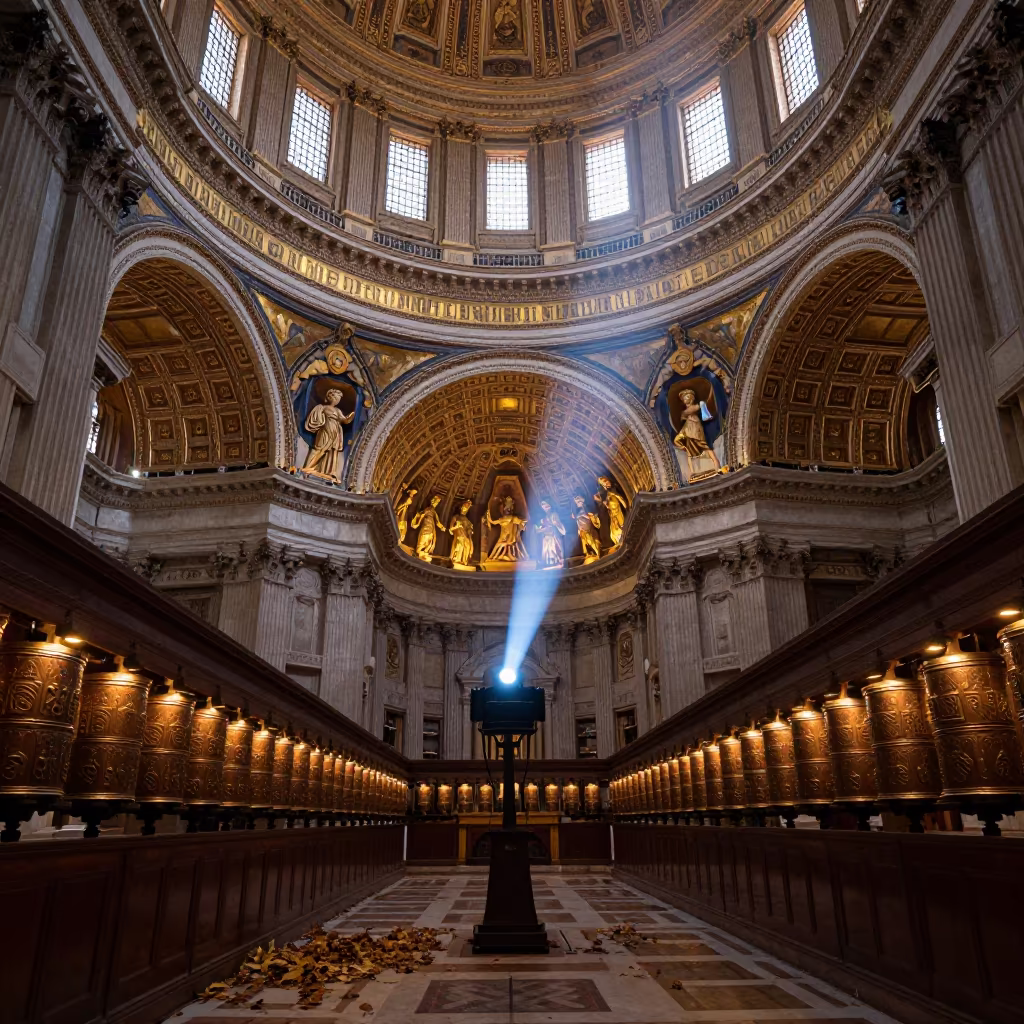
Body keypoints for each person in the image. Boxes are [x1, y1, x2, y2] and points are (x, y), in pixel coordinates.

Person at [302, 389, 354, 483]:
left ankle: (327, 471)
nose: (337, 400)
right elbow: (315, 418)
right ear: (330, 397)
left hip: (335, 431)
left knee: (331, 451)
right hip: (325, 429)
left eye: (338, 399)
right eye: (335, 397)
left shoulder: (337, 410)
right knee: (319, 448)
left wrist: (351, 415)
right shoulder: (322, 407)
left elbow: (345, 420)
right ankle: (308, 467)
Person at [673, 388, 721, 470]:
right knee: (680, 443)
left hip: (695, 426)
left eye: (687, 396)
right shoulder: (685, 411)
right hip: (686, 428)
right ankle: (692, 471)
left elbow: (704, 415)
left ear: (692, 398)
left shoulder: (697, 406)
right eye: (684, 397)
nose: (685, 399)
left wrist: (704, 408)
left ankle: (716, 462)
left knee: (703, 444)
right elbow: (683, 416)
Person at [486, 495, 528, 561]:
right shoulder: (503, 519)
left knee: (500, 545)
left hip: (510, 538)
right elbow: (493, 522)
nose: (507, 510)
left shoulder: (513, 518)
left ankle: (492, 557)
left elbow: (522, 522)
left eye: (508, 509)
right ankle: (492, 557)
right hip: (504, 537)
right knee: (498, 545)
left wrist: (522, 526)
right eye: (506, 509)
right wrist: (488, 516)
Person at [595, 475, 627, 547]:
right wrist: (603, 503)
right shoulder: (607, 496)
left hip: (619, 514)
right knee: (613, 535)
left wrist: (627, 507)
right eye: (603, 484)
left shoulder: (613, 492)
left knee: (620, 530)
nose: (606, 484)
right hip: (613, 516)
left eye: (606, 481)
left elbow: (622, 499)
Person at [411, 494, 446, 561]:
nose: (436, 504)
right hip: (426, 526)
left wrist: (442, 527)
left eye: (437, 503)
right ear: (432, 501)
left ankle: (425, 553)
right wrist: (418, 521)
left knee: (429, 541)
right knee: (423, 538)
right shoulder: (428, 509)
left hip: (431, 528)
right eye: (435, 502)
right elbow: (422, 515)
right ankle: (419, 552)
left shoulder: (433, 512)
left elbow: (437, 521)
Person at [535, 498, 566, 568]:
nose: (544, 507)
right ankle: (548, 562)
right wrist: (542, 528)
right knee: (546, 550)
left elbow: (558, 524)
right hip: (546, 537)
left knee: (554, 549)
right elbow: (540, 527)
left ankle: (556, 561)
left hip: (553, 536)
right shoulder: (544, 518)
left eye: (545, 505)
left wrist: (555, 523)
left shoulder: (554, 514)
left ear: (550, 506)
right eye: (543, 505)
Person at [571, 494, 601, 563]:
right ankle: (589, 553)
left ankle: (598, 552)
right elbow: (577, 521)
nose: (578, 500)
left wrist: (583, 515)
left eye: (579, 498)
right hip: (582, 530)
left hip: (588, 528)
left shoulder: (586, 508)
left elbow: (591, 516)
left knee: (592, 540)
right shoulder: (577, 511)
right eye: (576, 499)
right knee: (585, 543)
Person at [449, 499, 475, 568]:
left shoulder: (467, 520)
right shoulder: (456, 517)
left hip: (466, 536)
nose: (465, 509)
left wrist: (470, 530)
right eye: (465, 507)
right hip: (459, 536)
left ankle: (464, 560)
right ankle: (456, 559)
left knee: (468, 546)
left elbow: (470, 529)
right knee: (460, 545)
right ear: (461, 507)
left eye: (467, 508)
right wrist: (457, 526)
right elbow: (451, 528)